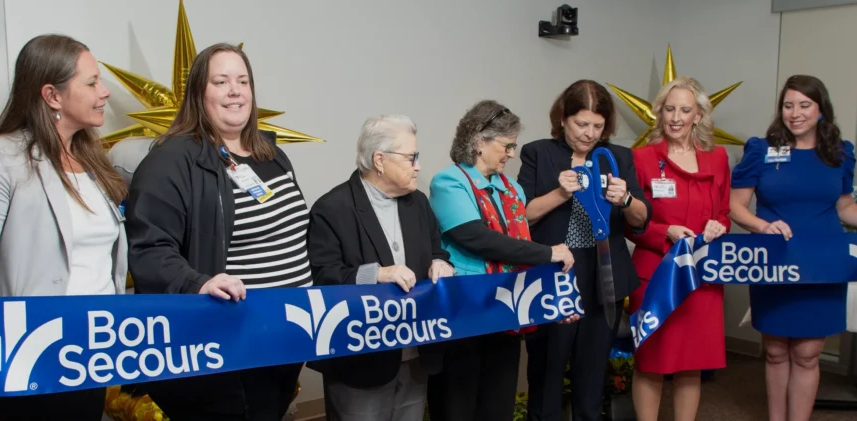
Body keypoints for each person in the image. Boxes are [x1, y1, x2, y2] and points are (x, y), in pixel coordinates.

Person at [0, 34, 127, 421]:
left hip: (94, 352)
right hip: (35, 354)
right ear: (52, 95)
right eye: (92, 82)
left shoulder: (95, 162)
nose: (105, 91)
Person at [125, 43, 310, 421]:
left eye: (243, 81)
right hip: (228, 344)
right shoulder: (171, 160)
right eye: (221, 81)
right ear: (198, 93)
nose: (235, 91)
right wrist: (197, 282)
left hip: (287, 337)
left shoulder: (271, 156)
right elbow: (150, 249)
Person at [729, 75, 857, 421]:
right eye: (788, 105)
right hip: (776, 260)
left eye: (804, 105)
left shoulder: (838, 153)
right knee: (776, 350)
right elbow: (735, 205)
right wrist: (763, 226)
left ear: (821, 110)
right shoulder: (760, 150)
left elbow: (845, 206)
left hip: (824, 263)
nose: (795, 113)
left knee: (808, 353)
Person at [427, 100, 576, 421]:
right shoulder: (449, 182)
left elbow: (517, 244)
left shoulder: (512, 189)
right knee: (458, 403)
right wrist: (548, 253)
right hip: (465, 309)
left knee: (498, 403)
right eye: (507, 145)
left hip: (507, 305)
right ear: (480, 141)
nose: (511, 153)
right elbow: (477, 239)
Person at [307, 114, 455, 421]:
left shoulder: (419, 204)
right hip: (360, 362)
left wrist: (441, 263)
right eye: (412, 157)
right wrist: (378, 274)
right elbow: (323, 277)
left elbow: (437, 250)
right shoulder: (331, 209)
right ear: (380, 160)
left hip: (416, 355)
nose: (419, 166)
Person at [518, 80, 650, 421]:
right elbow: (522, 216)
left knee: (592, 373)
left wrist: (627, 198)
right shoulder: (538, 153)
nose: (589, 133)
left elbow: (642, 218)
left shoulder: (617, 157)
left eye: (598, 126)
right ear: (563, 118)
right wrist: (560, 193)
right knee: (547, 370)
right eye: (582, 124)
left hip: (602, 275)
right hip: (555, 275)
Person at [625, 77, 729, 421]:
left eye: (685, 110)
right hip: (655, 273)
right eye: (669, 109)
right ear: (659, 113)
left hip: (701, 275)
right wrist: (663, 231)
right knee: (651, 360)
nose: (676, 117)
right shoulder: (640, 159)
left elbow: (725, 212)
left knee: (692, 363)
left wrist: (719, 226)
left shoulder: (717, 158)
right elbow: (629, 223)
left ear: (698, 115)